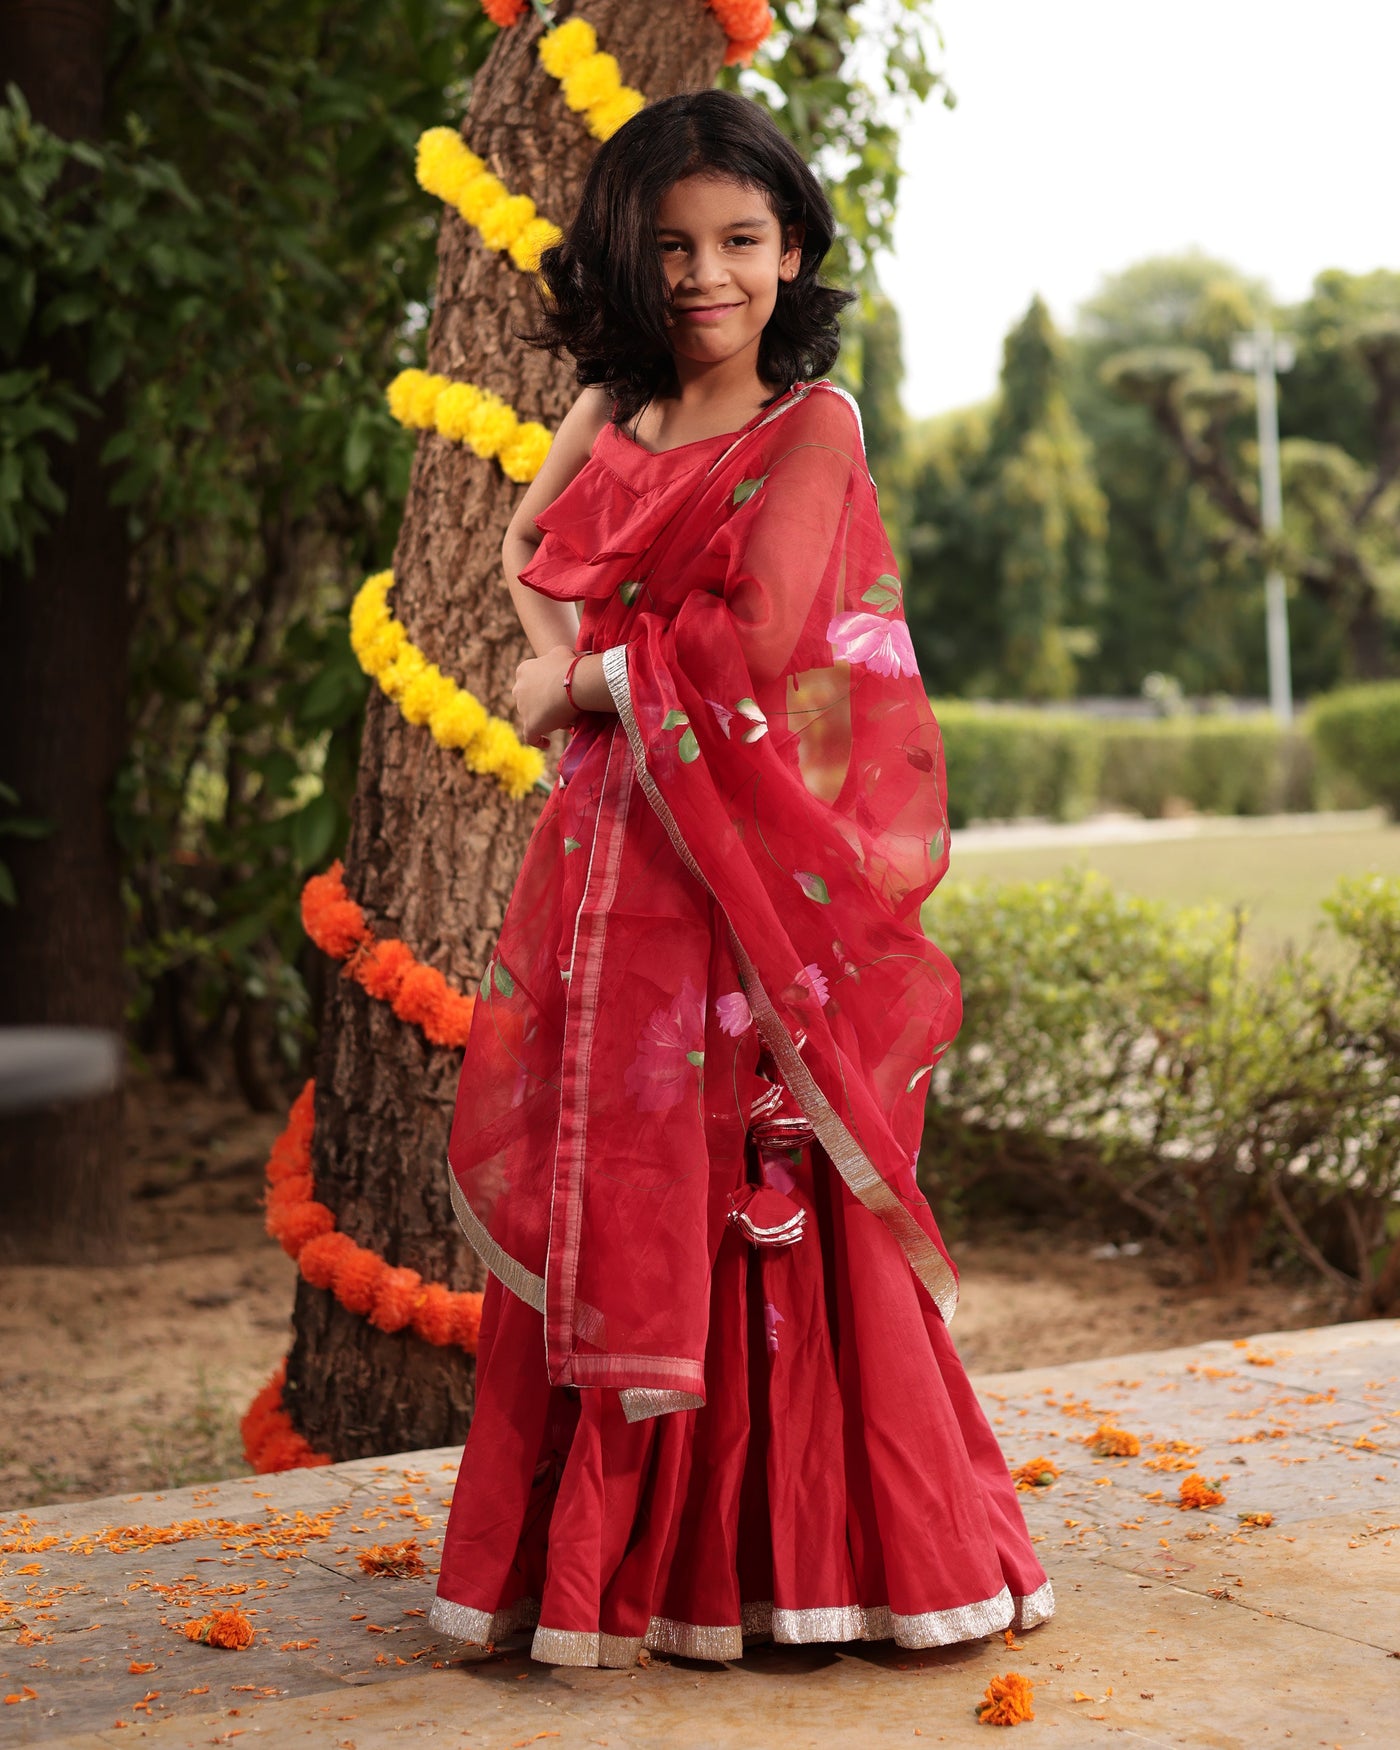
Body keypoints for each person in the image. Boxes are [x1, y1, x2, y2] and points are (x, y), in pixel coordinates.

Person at [428, 87, 1052, 1669]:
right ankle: (589, 1567)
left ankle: (799, 1565)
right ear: (624, 265)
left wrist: (577, 688)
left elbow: (758, 644)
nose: (707, 274)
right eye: (672, 247)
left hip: (740, 885)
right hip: (606, 864)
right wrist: (548, 651)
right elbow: (525, 546)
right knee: (609, 1177)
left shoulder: (808, 425)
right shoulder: (612, 417)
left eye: (741, 242)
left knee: (757, 1194)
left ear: (791, 254)